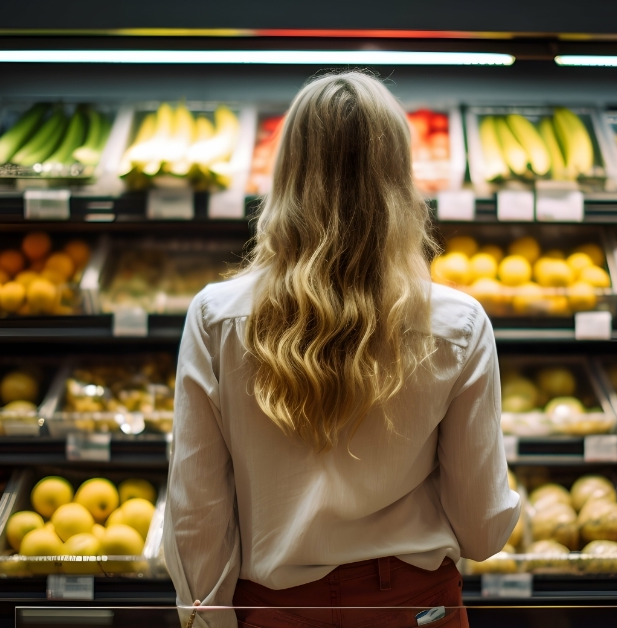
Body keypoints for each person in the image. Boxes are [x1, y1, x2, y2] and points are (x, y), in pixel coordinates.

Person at [164, 71, 520, 628]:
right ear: (401, 178)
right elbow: (482, 530)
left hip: (276, 610)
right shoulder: (457, 323)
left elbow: (196, 515)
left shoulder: (216, 317)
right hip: (415, 608)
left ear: (286, 173)